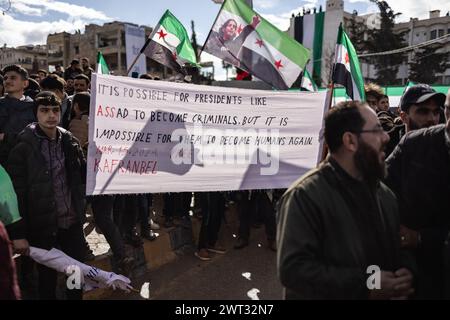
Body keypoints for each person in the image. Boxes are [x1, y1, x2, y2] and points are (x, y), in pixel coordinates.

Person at [277, 101, 415, 299]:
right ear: (350, 141)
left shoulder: (385, 195)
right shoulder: (306, 195)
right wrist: (370, 283)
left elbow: (395, 250)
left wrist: (405, 273)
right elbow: (294, 271)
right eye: (376, 131)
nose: (385, 137)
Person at [6, 91, 87, 300]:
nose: (51, 115)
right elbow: (17, 194)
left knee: (75, 272)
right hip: (42, 225)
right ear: (36, 114)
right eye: (44, 111)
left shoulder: (70, 141)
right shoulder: (23, 147)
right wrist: (18, 233)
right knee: (47, 277)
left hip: (72, 222)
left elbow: (81, 177)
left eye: (55, 110)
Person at [384, 89, 450, 299]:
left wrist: (422, 238)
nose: (434, 119)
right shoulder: (413, 145)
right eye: (449, 111)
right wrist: (373, 284)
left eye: (437, 111)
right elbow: (373, 208)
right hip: (411, 273)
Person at [383, 84, 446, 157]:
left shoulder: (444, 146)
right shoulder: (384, 147)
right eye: (423, 112)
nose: (432, 118)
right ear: (404, 117)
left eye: (436, 112)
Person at [0, 65, 35, 166]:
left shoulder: (34, 107)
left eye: (13, 78)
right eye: (5, 78)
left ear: (25, 83)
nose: (7, 81)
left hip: (27, 162)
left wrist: (6, 137)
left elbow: (37, 134)